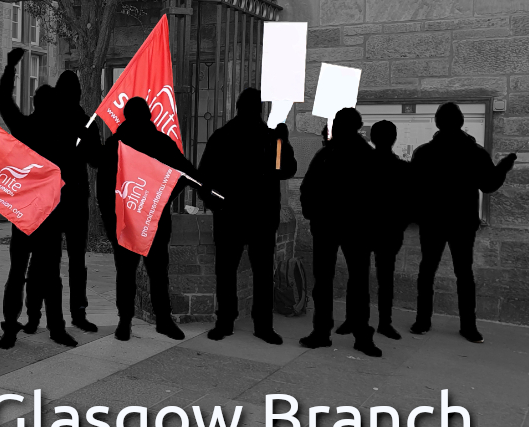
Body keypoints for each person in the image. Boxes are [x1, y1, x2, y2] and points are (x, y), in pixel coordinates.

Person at [196, 88, 295, 345]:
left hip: (230, 216)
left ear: (238, 107)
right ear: (259, 109)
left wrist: (215, 204)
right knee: (262, 272)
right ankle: (263, 326)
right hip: (261, 216)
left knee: (226, 271)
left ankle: (225, 322)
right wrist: (283, 144)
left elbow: (204, 178)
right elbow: (283, 170)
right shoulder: (270, 138)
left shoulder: (222, 136)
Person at [411, 102, 516, 343]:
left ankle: (422, 322)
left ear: (437, 123)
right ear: (461, 123)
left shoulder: (425, 152)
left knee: (427, 271)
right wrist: (503, 167)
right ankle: (469, 327)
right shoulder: (474, 152)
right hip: (462, 223)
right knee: (464, 275)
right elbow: (489, 185)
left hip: (432, 222)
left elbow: (412, 188)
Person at [0, 48, 77, 350]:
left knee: (17, 272)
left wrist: (10, 68)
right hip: (50, 212)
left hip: (25, 212)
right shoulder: (63, 135)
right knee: (51, 273)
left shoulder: (24, 127)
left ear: (34, 103)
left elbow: (4, 102)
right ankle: (56, 328)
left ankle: (9, 330)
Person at [97, 97, 195, 342]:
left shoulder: (114, 144)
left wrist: (111, 221)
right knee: (158, 273)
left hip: (124, 221)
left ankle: (124, 323)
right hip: (154, 220)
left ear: (126, 116)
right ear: (149, 115)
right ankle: (163, 320)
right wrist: (166, 196)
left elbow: (103, 189)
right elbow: (188, 174)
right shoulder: (161, 142)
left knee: (126, 273)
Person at [22, 71, 101, 334]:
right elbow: (96, 160)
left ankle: (33, 313)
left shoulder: (45, 118)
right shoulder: (85, 121)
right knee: (77, 258)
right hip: (76, 197)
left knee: (44, 257)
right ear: (78, 92)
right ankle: (78, 312)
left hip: (49, 197)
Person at [299, 107, 382, 357]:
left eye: (337, 123)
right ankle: (344, 334)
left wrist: (312, 213)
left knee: (342, 281)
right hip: (337, 227)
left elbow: (377, 195)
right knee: (341, 281)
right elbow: (308, 187)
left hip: (347, 227)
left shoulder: (344, 154)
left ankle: (338, 333)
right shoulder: (333, 152)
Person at [334, 120, 411, 340]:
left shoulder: (358, 167)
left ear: (372, 138)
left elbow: (347, 199)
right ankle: (385, 323)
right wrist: (399, 225)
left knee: (357, 278)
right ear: (394, 139)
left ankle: (352, 319)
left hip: (360, 230)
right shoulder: (403, 169)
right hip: (388, 232)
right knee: (385, 278)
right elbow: (410, 204)